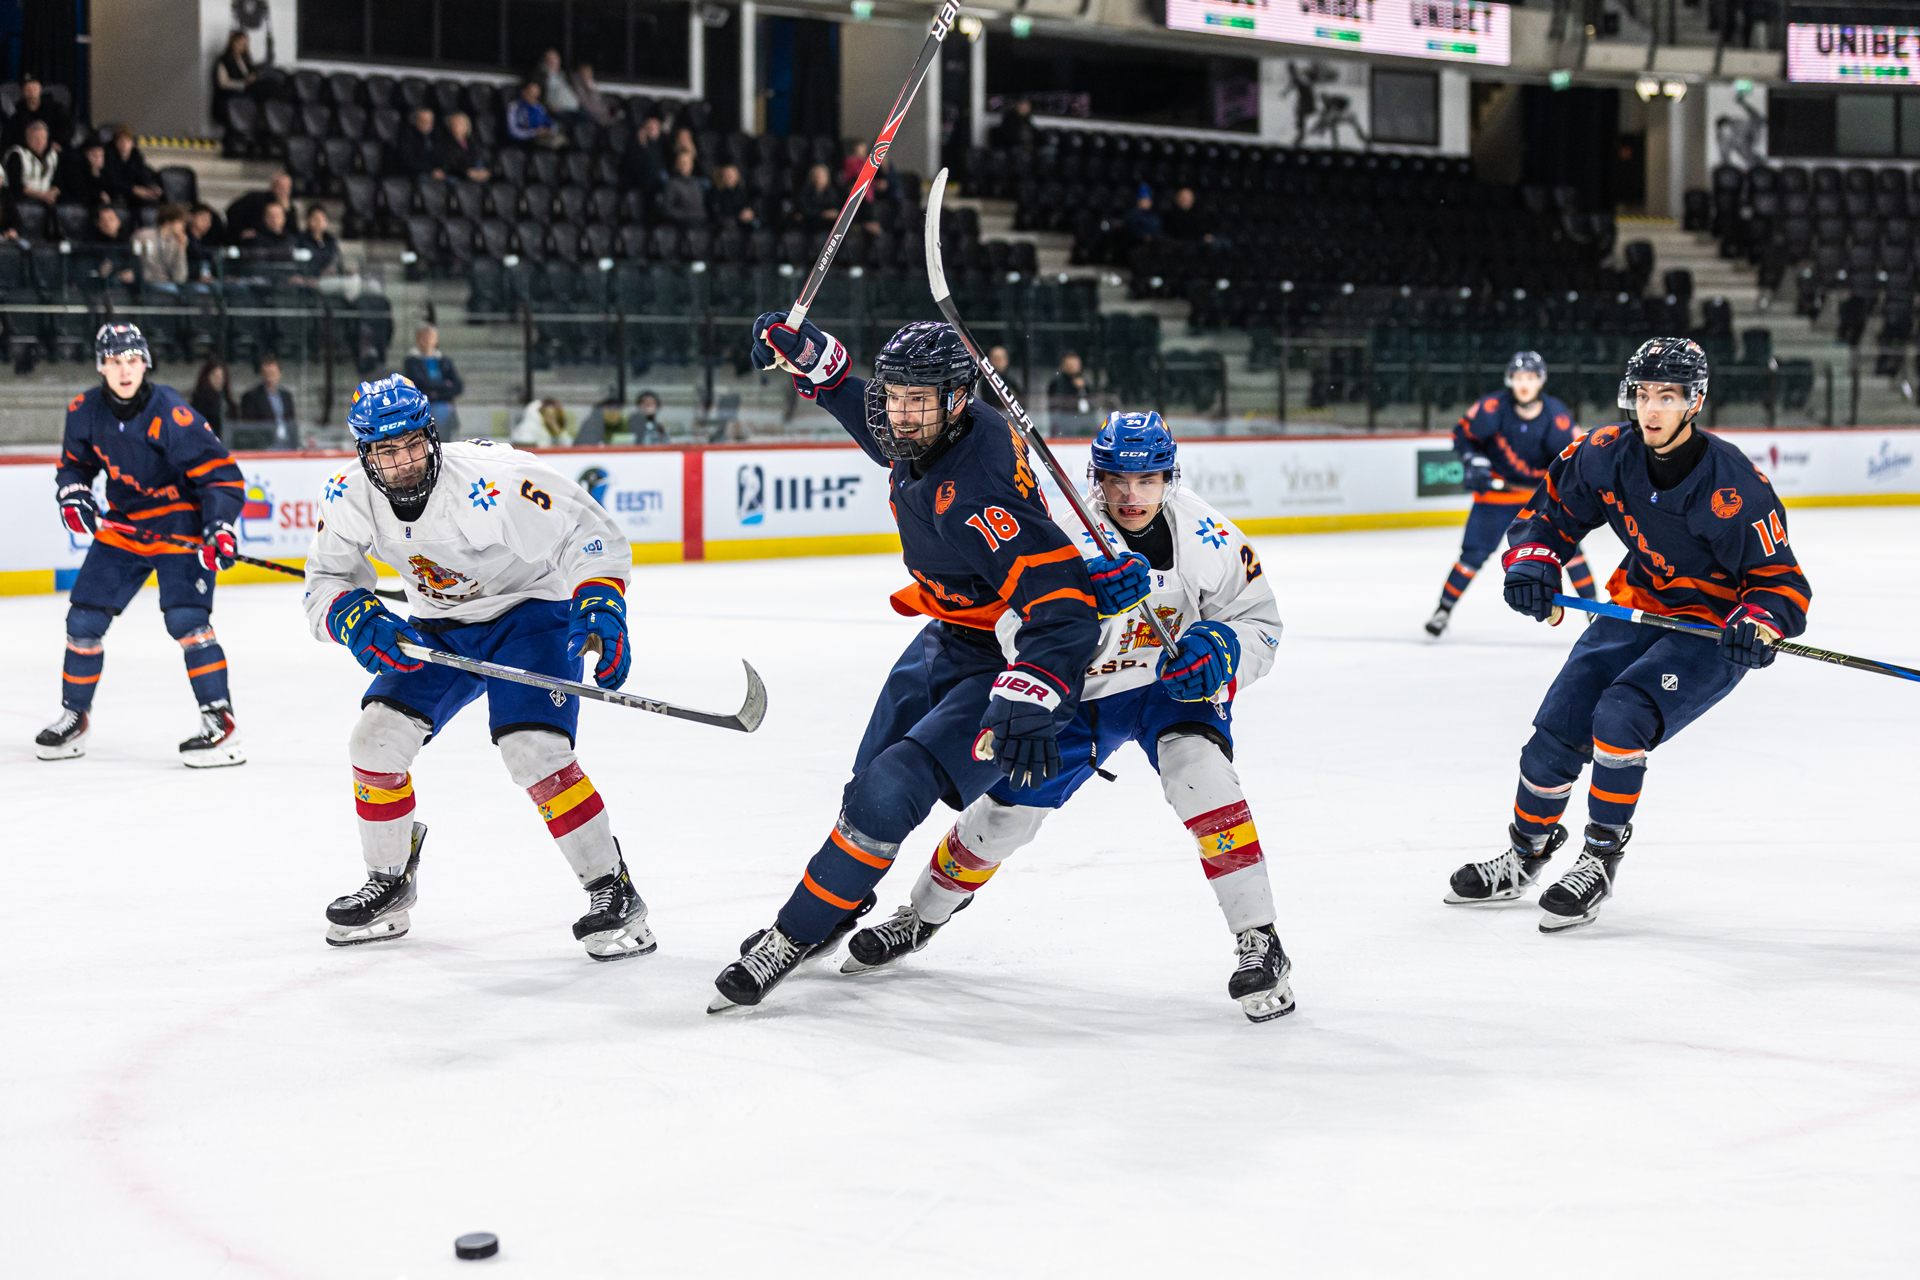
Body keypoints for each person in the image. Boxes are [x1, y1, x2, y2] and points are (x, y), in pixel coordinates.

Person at [710, 316, 1103, 1012]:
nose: (898, 413)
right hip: (945, 634)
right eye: (893, 395)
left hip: (1004, 655)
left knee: (890, 791)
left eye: (916, 401)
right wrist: (821, 365)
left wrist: (1037, 687)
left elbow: (1064, 607)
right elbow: (882, 434)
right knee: (864, 791)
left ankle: (792, 933)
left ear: (957, 400)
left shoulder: (981, 493)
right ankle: (836, 910)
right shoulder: (938, 422)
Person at [848, 412, 1294, 1021]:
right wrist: (1086, 608)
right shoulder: (1059, 532)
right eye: (1116, 479)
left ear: (1170, 476)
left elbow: (1261, 626)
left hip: (1168, 684)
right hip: (1077, 694)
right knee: (1002, 819)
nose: (1130, 496)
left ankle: (1259, 939)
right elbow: (1009, 626)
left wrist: (1221, 651)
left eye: (1147, 480)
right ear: (1096, 477)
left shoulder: (1210, 537)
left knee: (1201, 775)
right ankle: (921, 915)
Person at [1445, 338, 1812, 932]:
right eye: (1643, 394)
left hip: (1711, 631)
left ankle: (1599, 858)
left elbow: (1783, 584)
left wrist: (1760, 622)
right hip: (1637, 606)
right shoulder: (1603, 453)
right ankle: (1525, 856)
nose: (1652, 409)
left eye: (1667, 396)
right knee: (1556, 731)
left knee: (1621, 716)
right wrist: (1534, 562)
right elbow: (1548, 516)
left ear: (1694, 402)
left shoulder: (1735, 484)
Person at [303, 374, 652, 962]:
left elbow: (586, 533)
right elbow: (325, 582)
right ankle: (389, 881)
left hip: (529, 614)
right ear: (365, 454)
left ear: (431, 437)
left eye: (413, 442)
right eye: (387, 451)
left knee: (535, 751)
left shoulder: (495, 482)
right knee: (375, 741)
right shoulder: (346, 495)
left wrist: (600, 601)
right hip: (440, 625)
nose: (405, 460)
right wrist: (352, 614)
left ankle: (613, 892)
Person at [35, 323, 246, 766]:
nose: (124, 370)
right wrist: (72, 494)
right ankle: (76, 716)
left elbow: (221, 478)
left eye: (132, 360)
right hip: (125, 525)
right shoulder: (84, 410)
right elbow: (73, 467)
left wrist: (218, 527)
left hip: (178, 524)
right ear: (101, 367)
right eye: (114, 362)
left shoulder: (171, 412)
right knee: (83, 620)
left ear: (145, 363)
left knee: (188, 620)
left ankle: (221, 725)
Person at [1424, 352, 1596, 639]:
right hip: (1496, 497)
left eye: (1530, 378)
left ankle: (1593, 613)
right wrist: (1472, 460)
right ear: (1510, 380)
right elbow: (1462, 435)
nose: (1524, 384)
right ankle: (1443, 611)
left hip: (1540, 499)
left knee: (1572, 553)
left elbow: (1574, 457)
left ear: (1540, 381)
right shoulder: (1491, 407)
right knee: (1473, 555)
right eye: (1518, 378)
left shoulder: (1557, 416)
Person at [402, 325, 464, 431]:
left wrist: (438, 394)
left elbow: (458, 386)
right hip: (424, 408)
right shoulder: (412, 362)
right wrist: (444, 385)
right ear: (418, 340)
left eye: (430, 337)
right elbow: (419, 383)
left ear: (436, 340)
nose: (427, 341)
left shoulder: (444, 361)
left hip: (444, 407)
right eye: (424, 338)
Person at [4, 120, 60, 223]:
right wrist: (41, 195)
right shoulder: (17, 155)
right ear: (27, 138)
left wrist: (53, 192)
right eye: (35, 138)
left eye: (43, 138)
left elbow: (59, 180)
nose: (39, 142)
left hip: (47, 198)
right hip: (23, 199)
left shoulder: (52, 155)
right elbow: (16, 186)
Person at [241, 353, 299, 448]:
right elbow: (249, 427)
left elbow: (291, 422)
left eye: (272, 373)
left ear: (279, 374)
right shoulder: (251, 397)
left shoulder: (286, 396)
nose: (269, 377)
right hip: (265, 446)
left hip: (287, 443)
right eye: (266, 374)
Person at [4, 74, 74, 152]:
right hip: (27, 154)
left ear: (40, 88)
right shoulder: (17, 116)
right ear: (22, 92)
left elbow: (68, 129)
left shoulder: (55, 109)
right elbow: (10, 139)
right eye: (28, 89)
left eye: (34, 88)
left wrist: (57, 142)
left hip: (55, 150)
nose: (31, 92)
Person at [132, 202, 192, 288]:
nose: (184, 226)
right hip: (145, 283)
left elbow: (180, 278)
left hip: (166, 284)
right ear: (168, 222)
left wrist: (182, 248)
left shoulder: (175, 243)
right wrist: (158, 277)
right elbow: (137, 259)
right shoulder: (143, 235)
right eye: (180, 221)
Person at [104, 127, 164, 211]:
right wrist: (134, 189)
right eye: (121, 141)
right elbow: (112, 181)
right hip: (118, 191)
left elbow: (142, 174)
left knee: (157, 198)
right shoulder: (109, 157)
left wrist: (151, 186)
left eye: (127, 141)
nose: (124, 145)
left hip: (133, 191)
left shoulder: (136, 156)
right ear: (115, 143)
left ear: (132, 143)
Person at [226, 171, 292, 241]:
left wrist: (287, 211)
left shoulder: (289, 208)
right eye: (281, 187)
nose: (284, 191)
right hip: (253, 242)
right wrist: (240, 231)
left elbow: (290, 232)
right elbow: (232, 212)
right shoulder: (255, 199)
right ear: (272, 186)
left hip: (276, 243)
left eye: (287, 188)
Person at [212, 31, 258, 127]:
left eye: (244, 44)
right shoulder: (223, 61)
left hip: (245, 91)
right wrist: (243, 84)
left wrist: (251, 78)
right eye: (239, 43)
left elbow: (250, 74)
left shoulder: (245, 60)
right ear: (232, 43)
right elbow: (223, 83)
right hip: (230, 94)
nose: (241, 46)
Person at [1046, 350, 1096, 436]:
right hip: (1063, 425)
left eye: (1075, 364)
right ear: (1064, 365)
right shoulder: (1057, 383)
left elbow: (1090, 405)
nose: (1073, 367)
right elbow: (1058, 402)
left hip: (1083, 425)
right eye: (1069, 365)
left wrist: (1081, 388)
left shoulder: (1085, 384)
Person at [506, 80, 565, 150]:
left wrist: (549, 130)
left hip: (542, 136)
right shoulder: (514, 107)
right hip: (526, 139)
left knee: (563, 139)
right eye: (530, 93)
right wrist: (534, 133)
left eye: (535, 95)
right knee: (555, 142)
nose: (533, 97)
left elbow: (550, 122)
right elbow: (513, 131)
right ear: (524, 92)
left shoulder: (539, 107)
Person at [57, 139, 115, 210]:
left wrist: (96, 174)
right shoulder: (77, 168)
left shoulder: (105, 172)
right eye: (94, 155)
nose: (98, 159)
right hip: (74, 202)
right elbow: (80, 191)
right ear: (86, 154)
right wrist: (98, 195)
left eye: (101, 156)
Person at [621, 115, 668, 196]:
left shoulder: (659, 146)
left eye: (657, 128)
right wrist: (642, 144)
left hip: (657, 182)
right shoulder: (636, 145)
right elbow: (638, 166)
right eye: (651, 128)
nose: (655, 130)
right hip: (643, 181)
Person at [191, 358, 236, 441]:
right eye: (215, 376)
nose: (219, 380)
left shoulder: (227, 400)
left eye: (221, 377)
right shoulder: (199, 400)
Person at [293, 204, 341, 281]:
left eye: (322, 219)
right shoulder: (301, 240)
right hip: (308, 280)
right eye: (316, 219)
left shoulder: (330, 240)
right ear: (308, 220)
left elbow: (336, 261)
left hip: (328, 279)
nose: (319, 222)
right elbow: (300, 264)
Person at [438, 112, 490, 183]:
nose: (457, 125)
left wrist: (484, 171)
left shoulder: (473, 141)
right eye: (455, 123)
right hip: (458, 174)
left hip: (474, 171)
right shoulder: (446, 143)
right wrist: (467, 172)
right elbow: (451, 164)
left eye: (461, 123)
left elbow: (480, 156)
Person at [660, 151, 706, 228]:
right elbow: (667, 209)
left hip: (699, 222)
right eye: (682, 163)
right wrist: (685, 216)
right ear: (677, 165)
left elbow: (700, 207)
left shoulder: (696, 183)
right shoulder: (672, 184)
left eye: (688, 163)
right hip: (681, 224)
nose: (685, 165)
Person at [537, 49, 583, 125]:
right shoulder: (542, 74)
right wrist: (548, 107)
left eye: (555, 59)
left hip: (573, 108)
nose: (553, 62)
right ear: (545, 61)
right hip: (557, 110)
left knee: (587, 118)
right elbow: (538, 95)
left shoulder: (563, 75)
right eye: (550, 59)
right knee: (572, 123)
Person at [792, 162, 839, 232]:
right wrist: (823, 214)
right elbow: (805, 211)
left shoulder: (833, 193)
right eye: (816, 176)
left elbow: (835, 213)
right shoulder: (805, 192)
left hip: (827, 229)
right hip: (807, 228)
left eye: (821, 176)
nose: (818, 179)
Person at [397, 107, 440, 178]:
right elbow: (410, 161)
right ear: (416, 121)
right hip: (416, 174)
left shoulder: (435, 135)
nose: (427, 124)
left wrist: (440, 169)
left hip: (435, 173)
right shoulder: (408, 137)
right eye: (424, 121)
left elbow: (442, 155)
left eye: (430, 121)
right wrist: (431, 170)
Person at [571, 63, 615, 127]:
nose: (587, 76)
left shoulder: (593, 85)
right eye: (584, 74)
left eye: (589, 73)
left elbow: (601, 101)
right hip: (592, 115)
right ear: (580, 75)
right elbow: (586, 104)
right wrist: (591, 89)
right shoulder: (578, 87)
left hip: (603, 112)